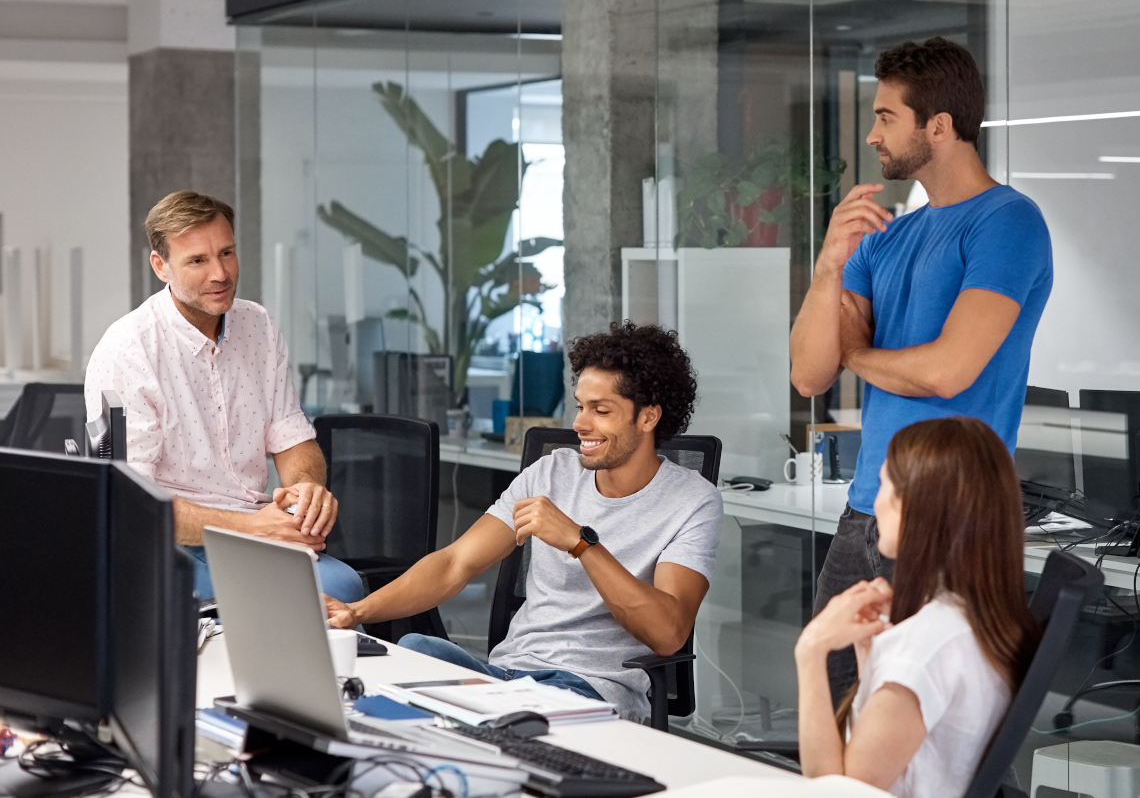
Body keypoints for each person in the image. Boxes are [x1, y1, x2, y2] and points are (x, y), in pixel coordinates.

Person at [788, 36, 1053, 701]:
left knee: (930, 722)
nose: (874, 135)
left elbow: (947, 371)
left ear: (938, 126)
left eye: (886, 117)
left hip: (951, 517)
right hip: (869, 510)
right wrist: (827, 266)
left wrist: (859, 353)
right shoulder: (889, 233)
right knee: (836, 705)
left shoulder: (1007, 222)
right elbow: (810, 373)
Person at [325, 322, 720, 723]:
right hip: (507, 677)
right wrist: (358, 611)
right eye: (581, 406)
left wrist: (579, 543)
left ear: (649, 416)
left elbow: (668, 633)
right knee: (416, 648)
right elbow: (456, 563)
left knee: (436, 714)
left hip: (587, 689)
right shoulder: (551, 472)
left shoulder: (692, 501)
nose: (581, 424)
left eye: (601, 411)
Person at [85, 191, 363, 603]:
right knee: (299, 597)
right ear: (160, 266)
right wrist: (253, 527)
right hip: (164, 543)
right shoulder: (127, 350)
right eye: (197, 261)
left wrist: (304, 495)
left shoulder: (259, 326)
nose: (220, 273)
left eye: (227, 253)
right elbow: (133, 503)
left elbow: (292, 439)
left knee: (345, 588)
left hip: (254, 532)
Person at [795, 417, 1039, 798]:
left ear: (918, 511)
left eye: (885, 486)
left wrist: (811, 650)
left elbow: (837, 792)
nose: (875, 503)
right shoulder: (973, 619)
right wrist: (870, 652)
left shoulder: (927, 645)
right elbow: (901, 744)